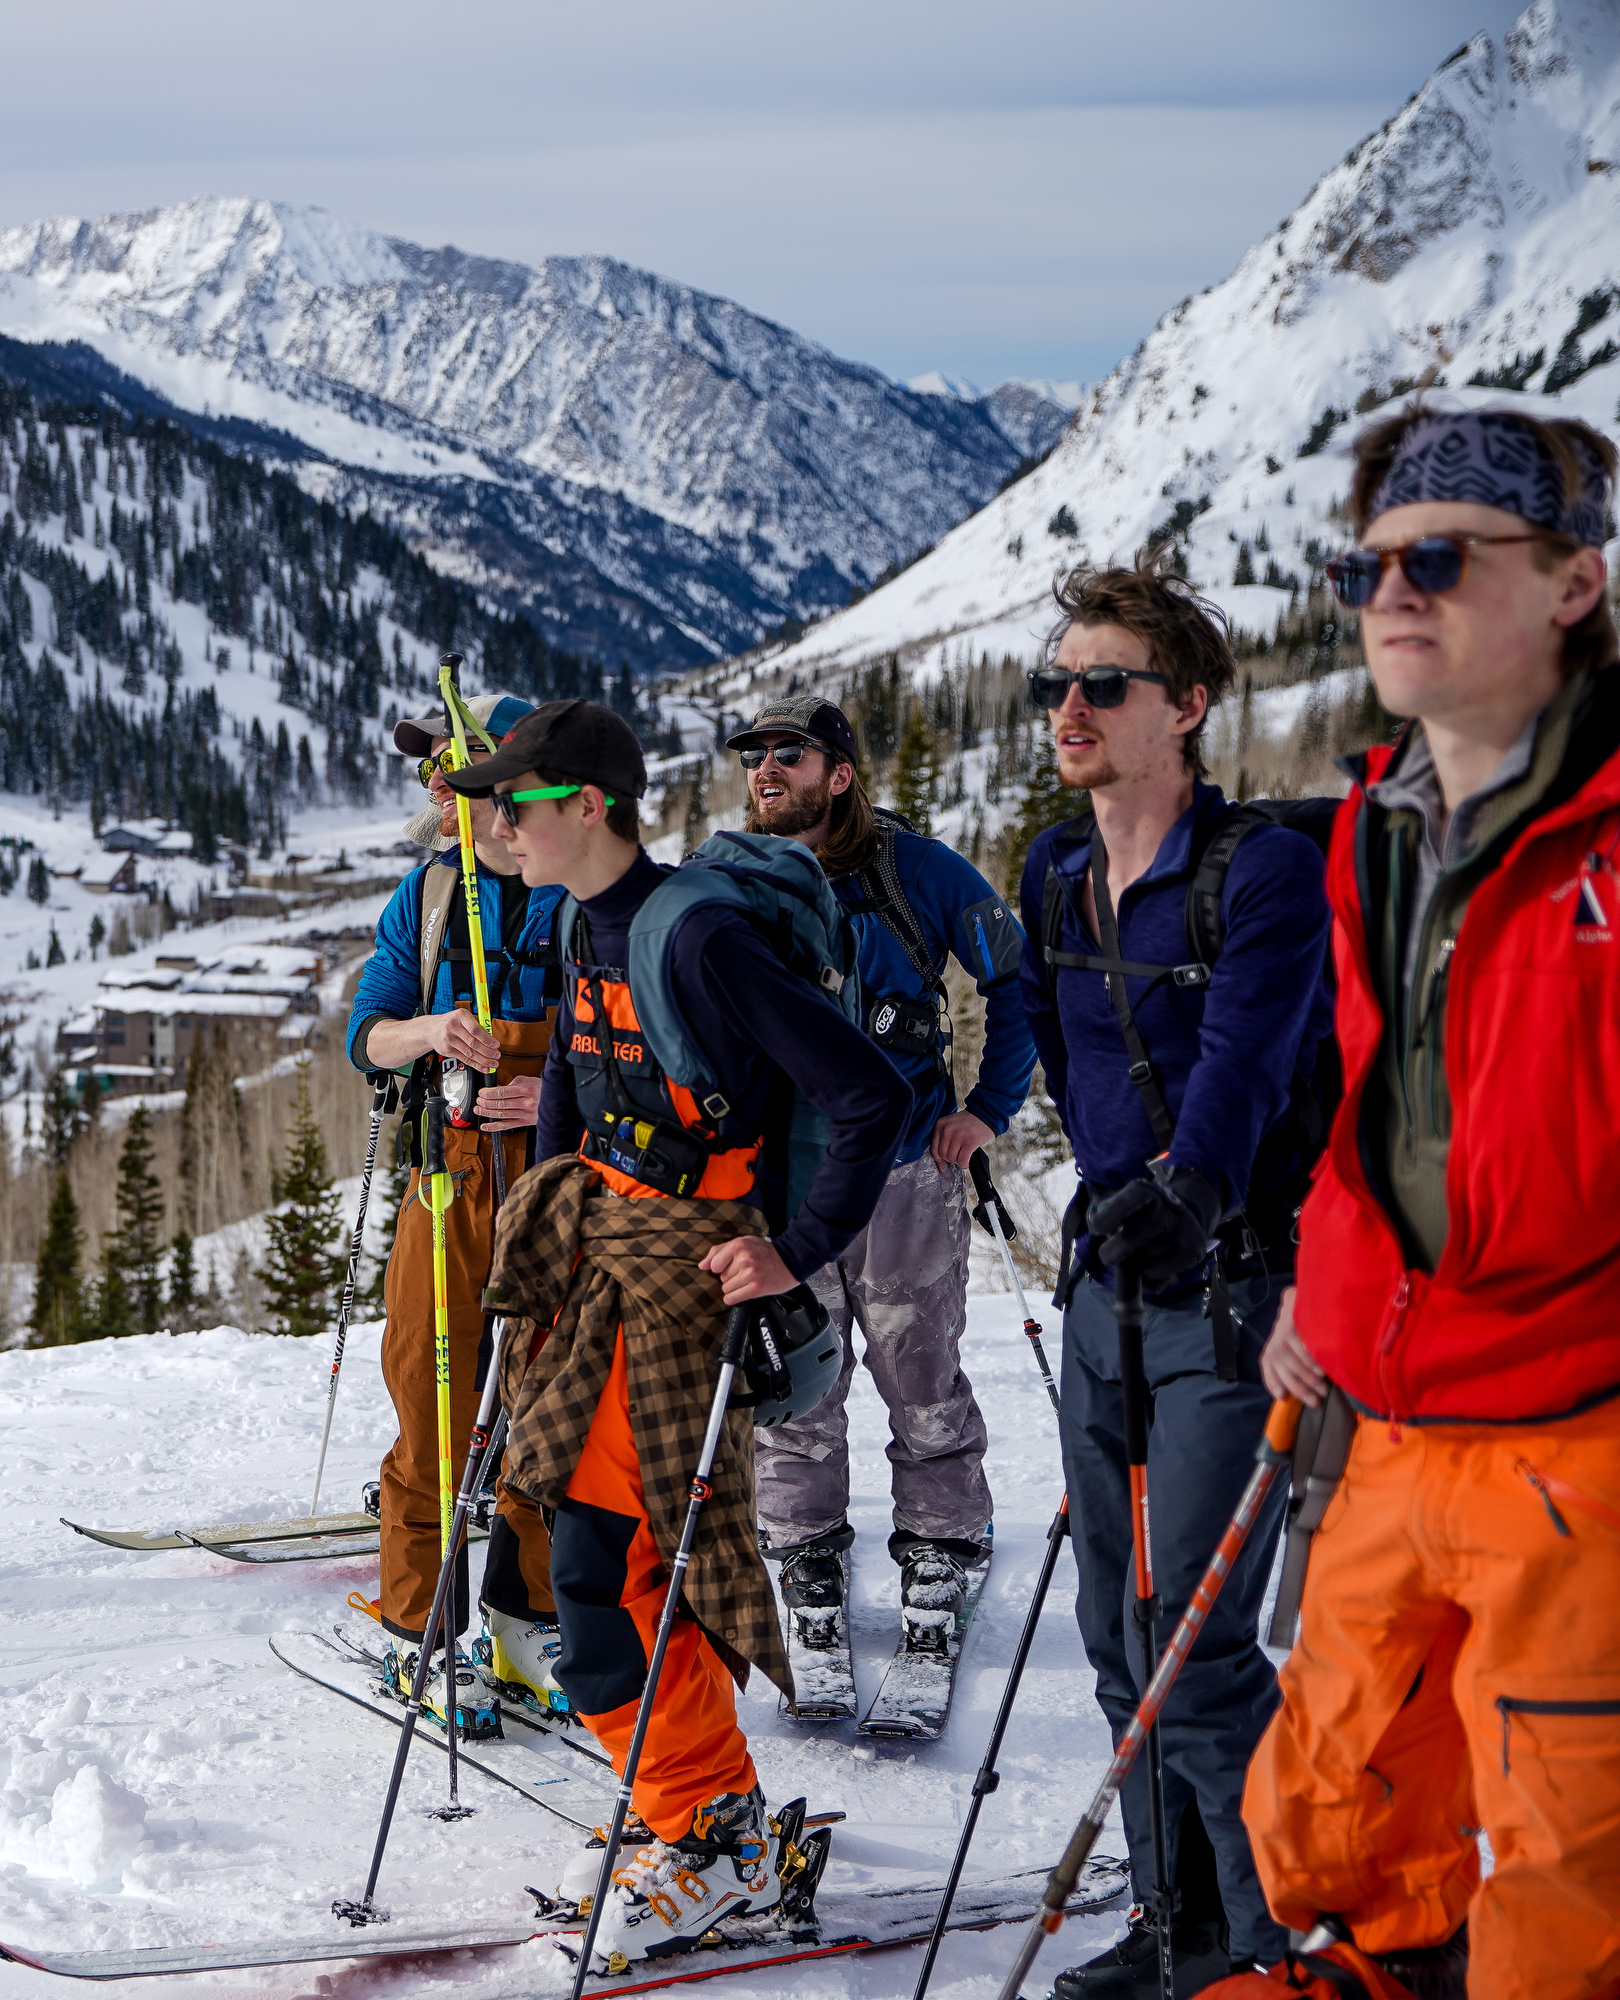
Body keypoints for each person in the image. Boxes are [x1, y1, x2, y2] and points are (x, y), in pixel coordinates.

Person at [1239, 407, 1620, 2000]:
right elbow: (1374, 1105)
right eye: (1371, 562)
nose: (1397, 589)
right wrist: (1320, 1291)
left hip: (1575, 1428)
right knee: (1336, 1796)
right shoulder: (1373, 831)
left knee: (1565, 1858)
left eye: (1445, 557)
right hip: (1373, 1408)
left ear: (1572, 586)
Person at [446, 699, 911, 1959]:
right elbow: (574, 1094)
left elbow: (869, 1094)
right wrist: (547, 1220)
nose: (498, 824)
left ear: (585, 804)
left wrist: (790, 1250)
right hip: (607, 1263)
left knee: (614, 1576)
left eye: (518, 803)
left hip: (686, 1282)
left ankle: (710, 1836)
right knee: (601, 1566)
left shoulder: (696, 936)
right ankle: (699, 1811)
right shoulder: (584, 919)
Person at [1017, 567, 1332, 1994]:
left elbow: (1253, 1055)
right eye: (1057, 684)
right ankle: (1175, 1925)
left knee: (1195, 1643)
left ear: (1187, 707)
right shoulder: (1050, 869)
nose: (1070, 709)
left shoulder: (1256, 871)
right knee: (1112, 1633)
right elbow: (1065, 1052)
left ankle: (1274, 1947)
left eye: (1106, 685)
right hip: (1105, 1293)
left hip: (1228, 1291)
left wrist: (1193, 1184)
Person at [726, 693, 1035, 1670]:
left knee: (918, 1366)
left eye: (790, 754)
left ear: (841, 772)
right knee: (795, 1376)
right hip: (791, 1175)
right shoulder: (734, 876)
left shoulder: (917, 869)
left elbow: (1012, 978)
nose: (766, 769)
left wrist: (987, 1105)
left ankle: (944, 1538)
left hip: (905, 1170)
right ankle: (803, 1542)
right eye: (754, 755)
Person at [343, 693, 565, 1714]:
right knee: (432, 1396)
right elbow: (366, 1035)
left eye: (453, 762)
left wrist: (553, 1083)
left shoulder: (574, 889)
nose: (434, 781)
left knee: (547, 1411)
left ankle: (526, 1630)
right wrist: (431, 1028)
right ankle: (417, 1629)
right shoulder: (425, 895)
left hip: (559, 1178)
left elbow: (635, 1034)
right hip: (452, 1172)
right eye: (426, 766)